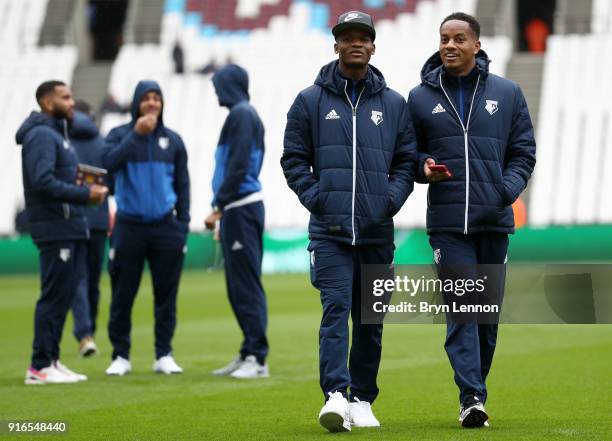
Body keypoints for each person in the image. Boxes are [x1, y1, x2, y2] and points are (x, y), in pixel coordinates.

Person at [281, 11, 417, 432]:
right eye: (347, 37)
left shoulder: (393, 104)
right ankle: (336, 394)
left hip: (377, 232)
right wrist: (318, 199)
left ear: (373, 46)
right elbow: (294, 159)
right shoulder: (309, 100)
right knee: (335, 311)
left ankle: (362, 398)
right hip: (330, 232)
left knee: (371, 320)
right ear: (336, 45)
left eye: (363, 37)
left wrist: (389, 200)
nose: (355, 43)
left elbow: (406, 161)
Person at [407, 12, 536, 427]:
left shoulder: (508, 93)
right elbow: (406, 154)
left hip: (494, 220)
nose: (450, 45)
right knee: (463, 308)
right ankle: (471, 396)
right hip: (447, 226)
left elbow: (523, 152)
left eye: (459, 38)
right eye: (444, 38)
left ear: (476, 46)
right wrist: (421, 166)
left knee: (486, 317)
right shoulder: (419, 98)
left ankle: (476, 389)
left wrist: (504, 190)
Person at [16, 80, 108, 384]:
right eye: (65, 97)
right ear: (46, 102)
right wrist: (85, 195)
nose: (72, 103)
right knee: (53, 296)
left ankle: (51, 360)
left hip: (67, 225)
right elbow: (42, 181)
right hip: (55, 228)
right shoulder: (42, 135)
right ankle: (39, 365)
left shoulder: (57, 134)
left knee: (63, 293)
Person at [103, 80, 190, 376]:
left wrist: (182, 225)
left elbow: (183, 185)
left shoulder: (173, 141)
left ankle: (163, 353)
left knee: (166, 295)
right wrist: (135, 137)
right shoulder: (118, 135)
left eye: (157, 98)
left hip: (166, 227)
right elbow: (106, 167)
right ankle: (120, 355)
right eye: (146, 98)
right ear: (136, 103)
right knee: (122, 294)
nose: (152, 103)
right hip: (129, 226)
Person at [204, 64, 269, 379]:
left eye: (218, 84)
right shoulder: (241, 114)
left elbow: (241, 162)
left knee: (245, 286)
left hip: (241, 207)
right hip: (238, 209)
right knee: (238, 286)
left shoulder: (242, 114)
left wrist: (220, 204)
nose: (215, 90)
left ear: (230, 85)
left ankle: (258, 358)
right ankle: (248, 351)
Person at [68, 100, 109, 357]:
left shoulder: (62, 143)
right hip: (99, 220)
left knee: (78, 278)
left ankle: (84, 334)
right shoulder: (103, 143)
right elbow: (111, 182)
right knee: (93, 280)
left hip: (72, 217)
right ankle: (89, 330)